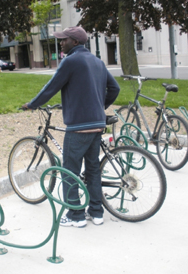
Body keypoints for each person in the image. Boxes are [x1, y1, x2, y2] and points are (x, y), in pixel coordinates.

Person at [22, 26, 120, 228]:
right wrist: (99, 107)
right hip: (97, 125)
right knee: (93, 169)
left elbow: (51, 87)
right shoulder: (97, 61)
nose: (61, 43)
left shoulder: (71, 61)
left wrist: (32, 104)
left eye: (64, 39)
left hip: (79, 127)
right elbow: (115, 88)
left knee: (70, 171)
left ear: (75, 42)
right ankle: (96, 212)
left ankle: (76, 216)